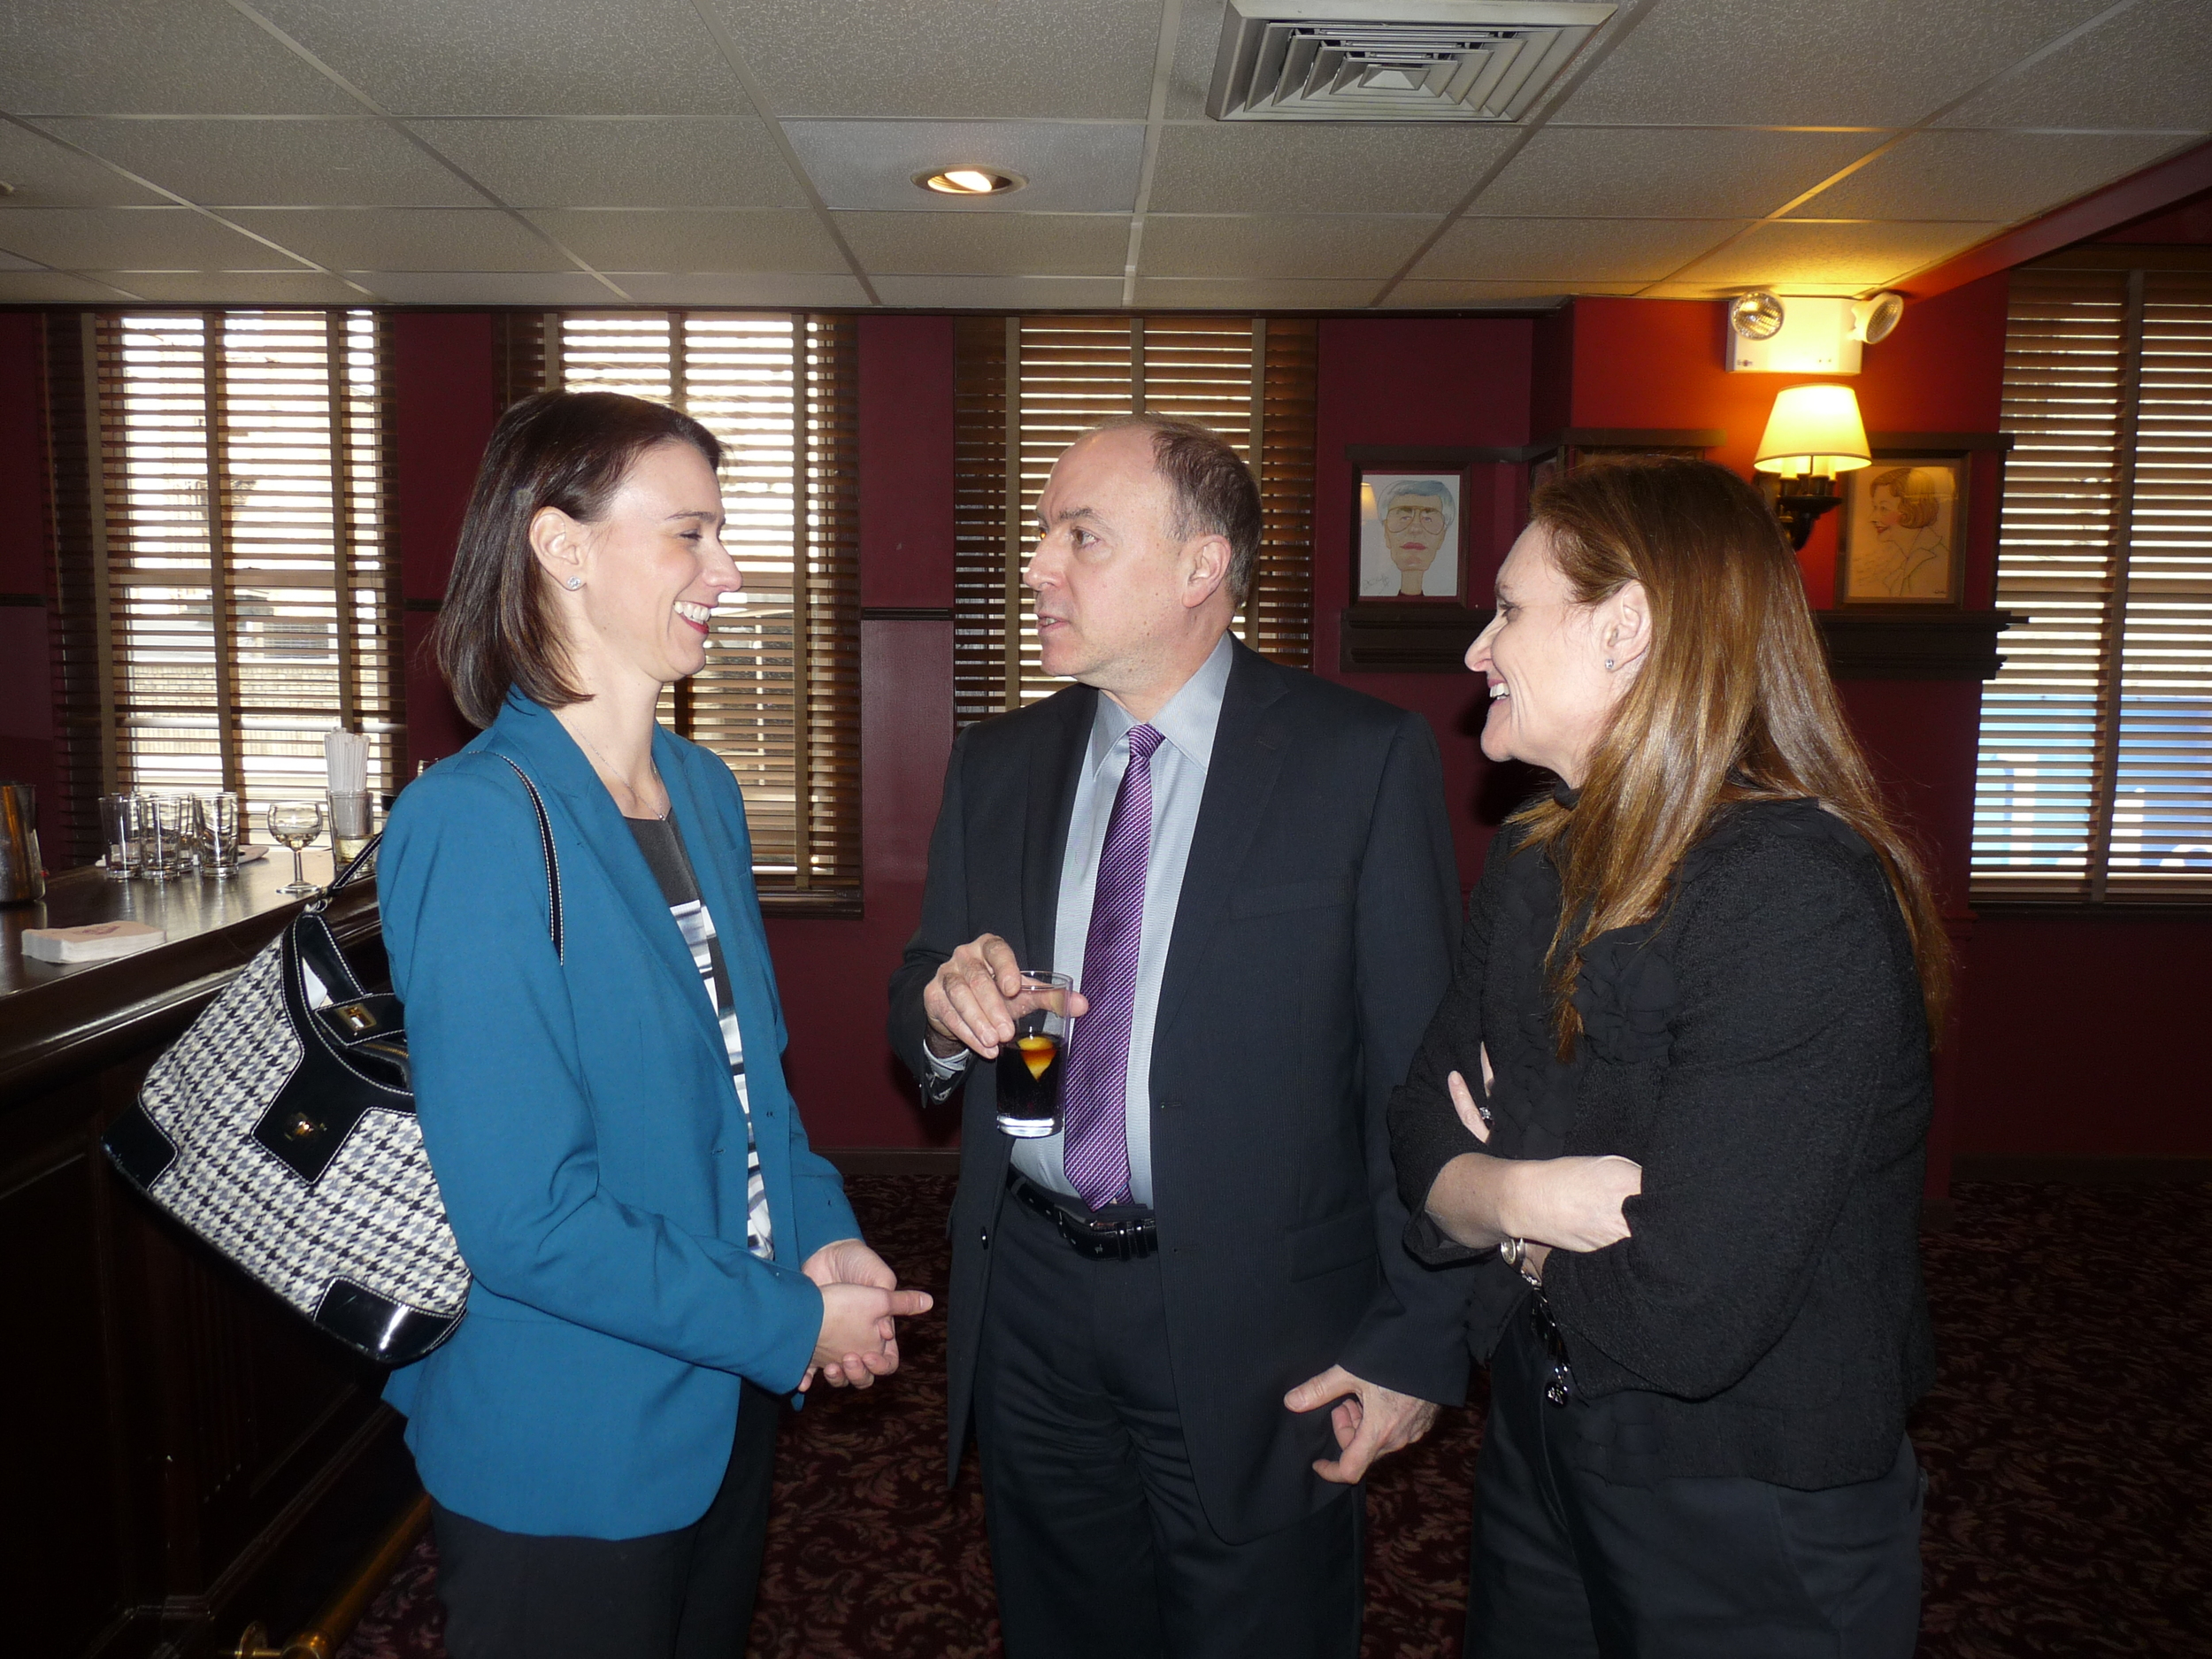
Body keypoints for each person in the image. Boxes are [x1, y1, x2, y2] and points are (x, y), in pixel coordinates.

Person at [887, 415, 1468, 1658]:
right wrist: (943, 1008)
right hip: (1032, 1298)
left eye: (1080, 536)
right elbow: (920, 987)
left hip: (1263, 1317)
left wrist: (1420, 1335)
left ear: (1201, 567)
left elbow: (1420, 1079)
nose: (1038, 564)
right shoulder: (998, 762)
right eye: (1043, 534)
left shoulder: (1355, 760)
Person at [379, 391, 932, 1659]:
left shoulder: (701, 788)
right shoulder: (471, 821)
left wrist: (826, 1232)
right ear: (563, 547)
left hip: (715, 1392)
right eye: (689, 533)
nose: (726, 570)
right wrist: (791, 1323)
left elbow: (754, 1089)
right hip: (567, 1439)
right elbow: (525, 1220)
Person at [1388, 456, 1948, 1658]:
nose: (1479, 648)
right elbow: (1415, 1124)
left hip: (1748, 1498)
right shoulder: (1539, 858)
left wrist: (1490, 1206)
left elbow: (1691, 1308)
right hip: (1548, 1439)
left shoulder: (1794, 895)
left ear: (1627, 625)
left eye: (1512, 608)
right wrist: (1532, 1196)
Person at [1861, 466, 1949, 598]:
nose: (1872, 518)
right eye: (1875, 507)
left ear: (1910, 509)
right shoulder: (1911, 560)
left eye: (1884, 508)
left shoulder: (1930, 563)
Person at [1371, 477, 1457, 595]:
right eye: (1404, 518)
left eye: (1428, 519)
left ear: (1442, 536)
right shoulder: (1373, 590)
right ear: (1386, 532)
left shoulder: (1450, 589)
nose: (1415, 528)